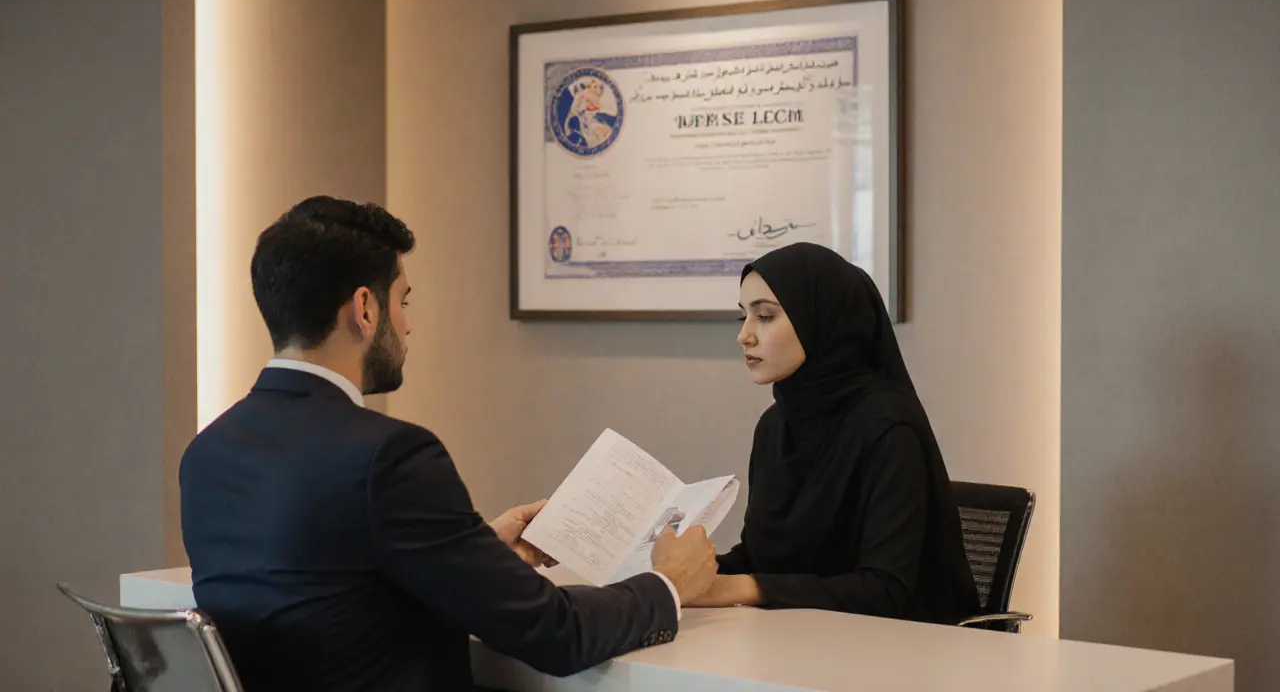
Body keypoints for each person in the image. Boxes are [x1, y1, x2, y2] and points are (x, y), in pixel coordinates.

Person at [179, 196, 718, 691]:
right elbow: (556, 634)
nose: (408, 326)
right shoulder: (389, 457)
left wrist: (475, 553)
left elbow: (334, 593)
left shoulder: (206, 454)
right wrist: (666, 584)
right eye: (403, 300)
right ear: (365, 309)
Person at [690, 242, 979, 625]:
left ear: (820, 320)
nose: (745, 335)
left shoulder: (887, 428)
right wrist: (681, 575)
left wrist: (742, 588)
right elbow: (761, 556)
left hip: (898, 647)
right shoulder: (775, 427)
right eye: (744, 316)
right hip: (796, 637)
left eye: (765, 316)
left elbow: (884, 590)